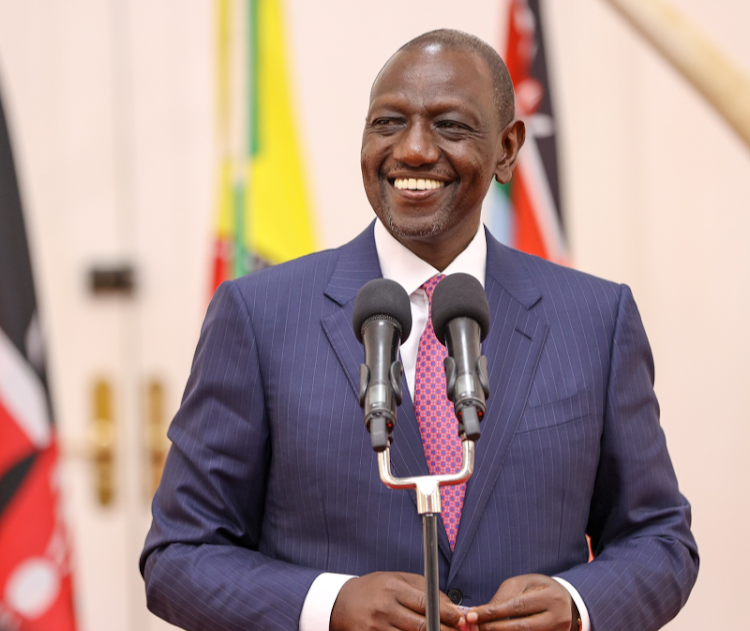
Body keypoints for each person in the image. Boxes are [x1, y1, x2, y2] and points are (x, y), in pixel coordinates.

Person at [140, 29, 698, 631]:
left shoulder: (595, 318)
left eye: (449, 126)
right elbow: (178, 556)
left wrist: (579, 605)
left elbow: (659, 537)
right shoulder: (258, 315)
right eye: (387, 123)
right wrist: (330, 606)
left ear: (509, 149)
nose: (412, 150)